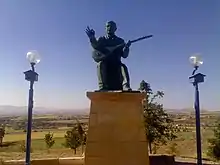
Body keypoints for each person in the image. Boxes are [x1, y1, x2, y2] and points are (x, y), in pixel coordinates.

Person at [86, 21, 132, 91]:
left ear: (115, 29)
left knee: (123, 67)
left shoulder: (120, 41)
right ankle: (102, 87)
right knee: (100, 64)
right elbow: (96, 46)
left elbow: (124, 55)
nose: (109, 28)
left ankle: (125, 86)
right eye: (107, 26)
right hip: (105, 64)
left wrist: (127, 48)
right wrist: (92, 38)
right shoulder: (102, 39)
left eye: (111, 26)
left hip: (116, 64)